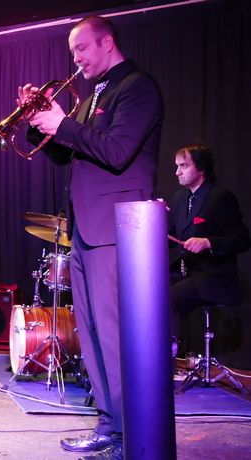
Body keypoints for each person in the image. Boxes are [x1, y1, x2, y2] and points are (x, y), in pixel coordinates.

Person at [18, 16, 163, 459]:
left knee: (115, 336)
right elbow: (66, 153)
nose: (76, 59)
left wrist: (63, 122)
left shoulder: (137, 88)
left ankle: (130, 434)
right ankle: (108, 425)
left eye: (81, 48)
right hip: (85, 229)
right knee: (93, 334)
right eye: (72, 52)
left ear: (107, 42)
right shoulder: (94, 94)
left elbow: (116, 152)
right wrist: (38, 121)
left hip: (118, 230)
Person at [168, 143, 250, 353]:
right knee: (148, 292)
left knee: (166, 299)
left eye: (184, 166)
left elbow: (241, 239)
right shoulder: (178, 199)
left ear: (201, 168)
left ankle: (166, 358)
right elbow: (168, 234)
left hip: (214, 278)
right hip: (187, 274)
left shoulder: (220, 197)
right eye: (177, 166)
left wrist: (208, 242)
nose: (177, 172)